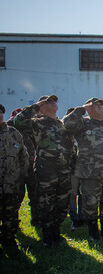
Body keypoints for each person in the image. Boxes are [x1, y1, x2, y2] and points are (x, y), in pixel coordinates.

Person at [12, 95, 75, 247]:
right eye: (48, 101)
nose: (53, 103)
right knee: (46, 203)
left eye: (54, 101)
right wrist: (35, 106)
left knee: (63, 204)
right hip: (46, 170)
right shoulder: (37, 123)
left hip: (65, 171)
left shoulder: (63, 124)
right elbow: (18, 122)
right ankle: (47, 234)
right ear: (41, 105)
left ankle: (56, 231)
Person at [64, 98, 103, 240]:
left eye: (101, 105)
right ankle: (93, 231)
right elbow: (67, 124)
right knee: (90, 203)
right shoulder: (83, 124)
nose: (100, 107)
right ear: (89, 108)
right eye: (96, 105)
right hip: (90, 173)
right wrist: (81, 109)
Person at [0, 103, 29, 256]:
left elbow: (23, 156)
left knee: (11, 214)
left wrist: (21, 175)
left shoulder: (13, 133)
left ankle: (9, 239)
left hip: (11, 183)